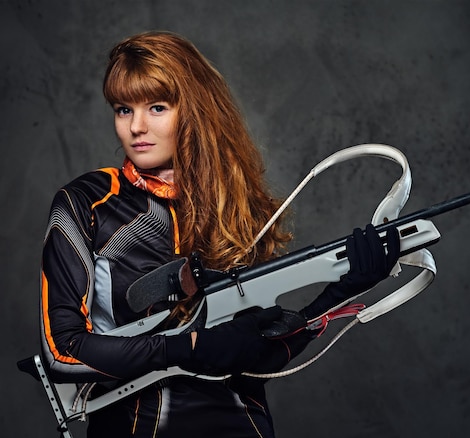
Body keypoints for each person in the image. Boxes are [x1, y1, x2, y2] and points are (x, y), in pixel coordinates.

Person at [40, 30, 400, 437]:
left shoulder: (238, 205)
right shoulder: (85, 202)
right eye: (124, 109)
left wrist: (343, 291)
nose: (137, 127)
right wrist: (187, 348)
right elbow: (60, 351)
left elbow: (260, 356)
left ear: (192, 110)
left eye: (157, 107)